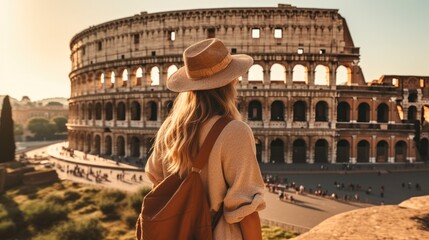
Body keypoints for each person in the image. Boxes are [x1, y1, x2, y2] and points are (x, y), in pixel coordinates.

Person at [145, 38, 266, 239]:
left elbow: (157, 184)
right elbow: (245, 210)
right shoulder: (235, 131)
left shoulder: (170, 130)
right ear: (231, 81)